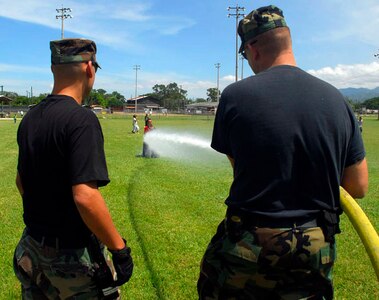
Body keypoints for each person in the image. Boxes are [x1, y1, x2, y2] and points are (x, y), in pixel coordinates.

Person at [197, 5, 368, 300]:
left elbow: (239, 165)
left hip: (248, 247)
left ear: (252, 48)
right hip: (314, 248)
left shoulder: (236, 96)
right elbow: (358, 186)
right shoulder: (338, 101)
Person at [14, 38, 133, 299]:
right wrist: (119, 249)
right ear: (89, 69)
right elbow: (85, 196)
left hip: (31, 248)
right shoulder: (82, 120)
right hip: (72, 259)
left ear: (53, 69)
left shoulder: (30, 118)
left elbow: (21, 182)